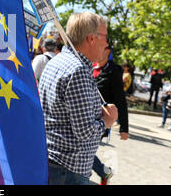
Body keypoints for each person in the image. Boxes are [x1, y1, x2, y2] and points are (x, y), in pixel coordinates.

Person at [39, 12, 118, 185]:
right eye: (105, 37)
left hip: (55, 163)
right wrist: (107, 120)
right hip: (68, 169)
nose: (107, 43)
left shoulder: (58, 61)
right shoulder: (78, 70)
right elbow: (84, 131)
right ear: (91, 39)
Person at [92, 40, 129, 185]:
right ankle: (104, 171)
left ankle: (103, 172)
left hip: (102, 120)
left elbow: (120, 101)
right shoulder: (90, 66)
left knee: (84, 150)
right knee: (85, 150)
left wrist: (124, 128)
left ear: (107, 51)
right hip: (87, 116)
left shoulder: (113, 71)